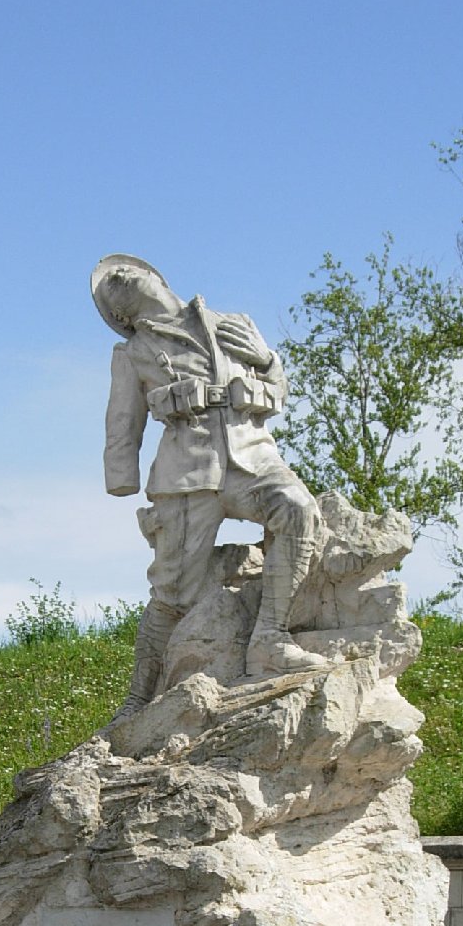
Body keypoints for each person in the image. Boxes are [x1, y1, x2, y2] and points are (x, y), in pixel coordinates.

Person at [91, 254, 327, 713]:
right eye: (111, 284)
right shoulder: (132, 353)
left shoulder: (233, 323)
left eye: (128, 270)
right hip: (187, 471)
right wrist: (121, 477)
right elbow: (122, 422)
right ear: (121, 315)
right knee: (173, 591)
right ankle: (138, 699)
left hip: (251, 455)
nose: (122, 276)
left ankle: (270, 639)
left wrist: (268, 361)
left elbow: (276, 389)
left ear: (157, 277)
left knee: (298, 510)